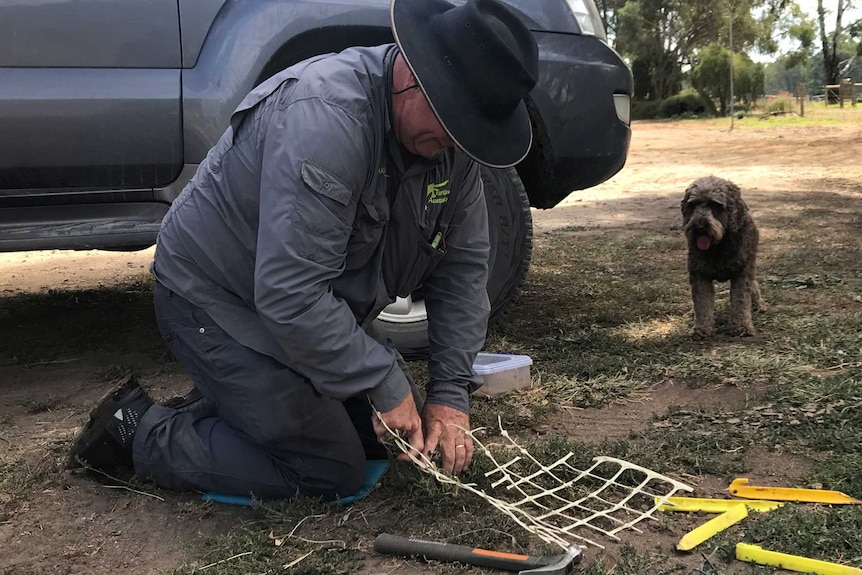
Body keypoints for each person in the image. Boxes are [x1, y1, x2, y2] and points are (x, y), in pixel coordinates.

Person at [69, 0, 538, 501]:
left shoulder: (451, 149)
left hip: (300, 312)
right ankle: (136, 431)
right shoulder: (326, 121)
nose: (454, 144)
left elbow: (463, 272)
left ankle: (237, 402)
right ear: (411, 76)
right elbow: (289, 294)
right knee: (327, 467)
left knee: (386, 434)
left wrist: (449, 394)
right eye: (453, 121)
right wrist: (380, 374)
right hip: (213, 298)